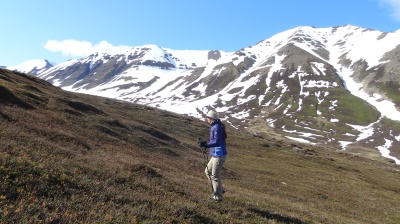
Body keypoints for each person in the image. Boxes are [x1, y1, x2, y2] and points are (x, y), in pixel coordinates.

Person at [198, 110, 228, 202]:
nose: (206, 119)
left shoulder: (216, 127)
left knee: (215, 175)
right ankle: (219, 189)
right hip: (216, 154)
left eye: (207, 117)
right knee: (208, 171)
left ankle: (218, 197)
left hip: (219, 154)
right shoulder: (215, 127)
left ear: (211, 118)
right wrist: (205, 143)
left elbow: (217, 142)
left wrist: (206, 144)